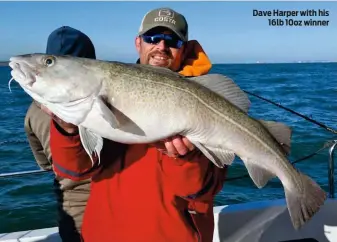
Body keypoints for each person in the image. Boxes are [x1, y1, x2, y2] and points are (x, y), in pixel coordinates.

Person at [45, 8, 228, 242]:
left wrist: (185, 159)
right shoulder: (108, 87)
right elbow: (75, 169)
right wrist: (67, 129)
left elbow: (202, 190)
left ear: (184, 47)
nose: (161, 46)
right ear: (138, 42)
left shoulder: (208, 100)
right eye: (152, 38)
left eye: (172, 40)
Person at [24, 26, 96, 242]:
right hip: (102, 205)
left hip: (69, 211)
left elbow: (45, 164)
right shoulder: (93, 105)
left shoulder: (32, 113)